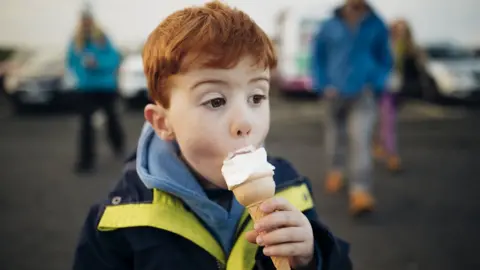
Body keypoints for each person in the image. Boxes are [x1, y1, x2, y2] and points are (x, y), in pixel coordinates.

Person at [72, 2, 352, 269]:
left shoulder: (289, 188)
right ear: (162, 122)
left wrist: (312, 257)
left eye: (257, 97)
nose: (245, 122)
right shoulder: (119, 220)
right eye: (216, 101)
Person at [311, 0, 393, 215]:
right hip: (333, 93)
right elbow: (318, 57)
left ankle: (360, 191)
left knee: (361, 138)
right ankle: (336, 171)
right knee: (334, 136)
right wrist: (323, 84)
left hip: (363, 94)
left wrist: (375, 83)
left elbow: (385, 59)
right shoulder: (329, 25)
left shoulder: (376, 24)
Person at [67, 7, 125, 174]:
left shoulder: (102, 38)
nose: (86, 22)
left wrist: (97, 64)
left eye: (88, 19)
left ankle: (118, 145)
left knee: (111, 119)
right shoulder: (76, 41)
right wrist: (80, 75)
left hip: (106, 87)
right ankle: (86, 161)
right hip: (86, 89)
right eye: (83, 20)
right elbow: (71, 62)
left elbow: (114, 59)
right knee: (86, 125)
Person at [373, 19, 422, 172]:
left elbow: (414, 72)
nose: (398, 32)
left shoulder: (409, 50)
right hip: (383, 88)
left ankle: (386, 149)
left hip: (398, 90)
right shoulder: (384, 46)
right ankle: (390, 153)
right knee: (387, 121)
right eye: (396, 29)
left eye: (402, 30)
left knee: (388, 121)